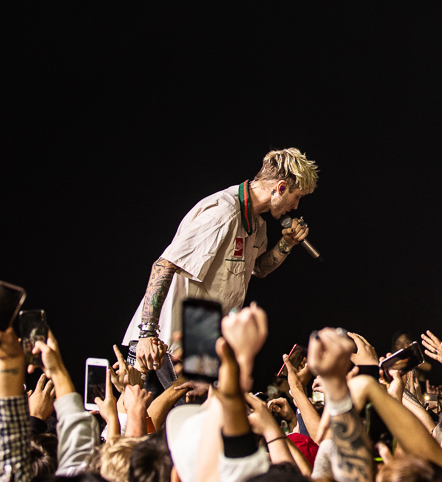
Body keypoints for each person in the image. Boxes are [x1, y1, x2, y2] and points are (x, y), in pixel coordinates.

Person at [121, 148, 319, 372]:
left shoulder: (257, 223)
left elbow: (257, 269)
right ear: (281, 187)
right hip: (162, 349)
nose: (295, 207)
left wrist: (286, 244)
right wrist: (146, 334)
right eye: (297, 197)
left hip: (199, 351)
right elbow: (164, 265)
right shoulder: (223, 212)